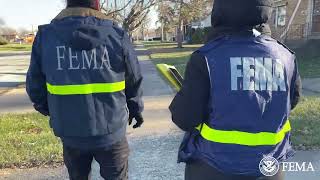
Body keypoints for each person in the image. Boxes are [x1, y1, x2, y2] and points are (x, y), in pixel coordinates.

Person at [169, 0, 302, 180]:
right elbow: (291, 101)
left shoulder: (206, 57)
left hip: (213, 167)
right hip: (269, 168)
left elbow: (185, 118)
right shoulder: (286, 56)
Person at [26, 0, 144, 179]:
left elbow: (35, 87)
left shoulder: (46, 37)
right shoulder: (116, 35)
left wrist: (52, 111)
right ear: (96, 4)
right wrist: (136, 108)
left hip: (71, 132)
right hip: (111, 132)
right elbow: (133, 79)